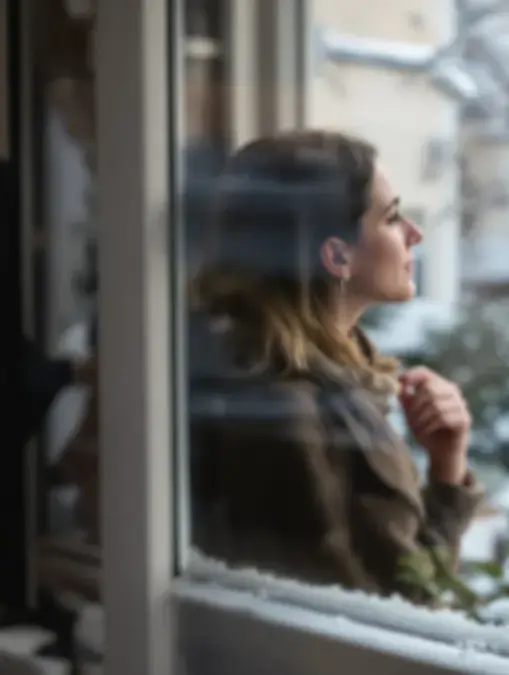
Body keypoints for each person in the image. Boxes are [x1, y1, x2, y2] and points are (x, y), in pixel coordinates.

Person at [187, 130, 482, 602]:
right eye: (391, 218)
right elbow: (395, 608)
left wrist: (447, 461)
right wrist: (446, 480)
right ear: (337, 255)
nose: (415, 233)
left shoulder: (323, 382)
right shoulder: (289, 409)